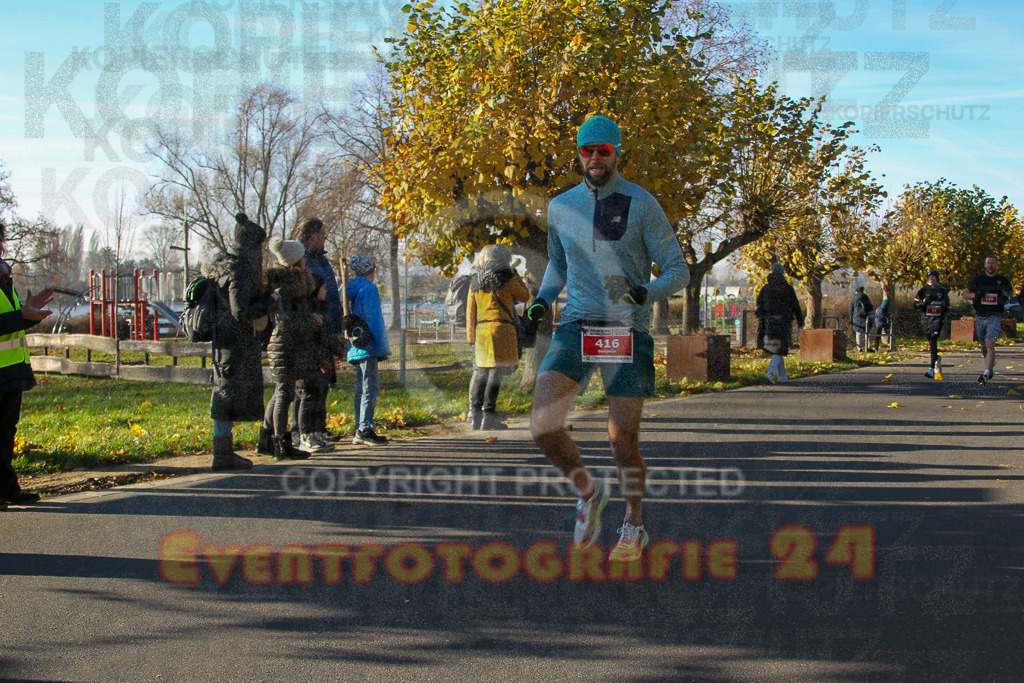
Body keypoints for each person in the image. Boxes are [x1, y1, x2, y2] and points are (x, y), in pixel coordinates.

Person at [526, 115, 690, 562]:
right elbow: (558, 265)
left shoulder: (642, 204)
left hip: (626, 328)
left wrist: (644, 292)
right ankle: (589, 492)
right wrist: (542, 300)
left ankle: (634, 523)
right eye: (587, 150)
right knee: (542, 426)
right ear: (578, 154)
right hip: (577, 324)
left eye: (604, 150)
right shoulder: (561, 206)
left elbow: (678, 269)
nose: (595, 158)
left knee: (622, 442)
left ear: (617, 152)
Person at [206, 212, 276, 471]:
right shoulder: (239, 270)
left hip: (224, 341)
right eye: (260, 246)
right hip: (234, 343)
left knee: (224, 393)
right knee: (225, 396)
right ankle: (222, 455)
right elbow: (241, 311)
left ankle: (223, 452)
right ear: (252, 246)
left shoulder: (223, 265)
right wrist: (270, 301)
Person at [0, 220, 53, 508]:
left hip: (10, 370)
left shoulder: (4, 279)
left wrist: (28, 316)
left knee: (5, 434)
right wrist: (22, 316)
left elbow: (9, 325)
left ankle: (7, 489)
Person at [261, 238, 322, 460]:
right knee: (285, 394)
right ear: (293, 261)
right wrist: (311, 320)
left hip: (289, 344)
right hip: (283, 345)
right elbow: (284, 321)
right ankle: (281, 444)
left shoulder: (293, 282)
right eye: (302, 256)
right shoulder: (284, 287)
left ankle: (265, 441)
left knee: (281, 392)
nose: (305, 258)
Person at [466, 244, 529, 430]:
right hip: (503, 330)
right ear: (506, 259)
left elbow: (470, 312)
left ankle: (475, 418)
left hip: (482, 332)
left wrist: (471, 338)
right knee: (495, 375)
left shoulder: (476, 280)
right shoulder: (508, 277)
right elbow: (525, 296)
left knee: (482, 374)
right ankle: (489, 417)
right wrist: (515, 274)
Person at [296, 218, 345, 444]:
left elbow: (331, 293)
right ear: (312, 236)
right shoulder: (300, 257)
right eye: (323, 234)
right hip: (311, 328)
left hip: (328, 324)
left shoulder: (321, 258)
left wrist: (336, 326)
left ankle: (318, 428)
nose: (325, 238)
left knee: (324, 381)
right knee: (306, 385)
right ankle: (300, 430)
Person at [346, 254, 391, 446]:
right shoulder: (369, 288)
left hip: (356, 343)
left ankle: (360, 426)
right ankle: (365, 429)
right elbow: (374, 319)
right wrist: (382, 345)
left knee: (361, 389)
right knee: (370, 388)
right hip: (368, 344)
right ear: (370, 271)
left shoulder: (351, 288)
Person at [963, 254, 1013, 384]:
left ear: (997, 265)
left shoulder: (1002, 280)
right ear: (985, 265)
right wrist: (976, 295)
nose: (990, 265)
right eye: (988, 263)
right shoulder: (978, 279)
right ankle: (990, 364)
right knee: (984, 346)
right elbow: (965, 294)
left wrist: (1005, 297)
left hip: (995, 316)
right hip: (980, 316)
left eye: (993, 263)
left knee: (990, 343)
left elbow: (1010, 293)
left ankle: (986, 373)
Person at [755, 262, 804, 385]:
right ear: (782, 273)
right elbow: (795, 305)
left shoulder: (765, 289)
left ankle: (782, 376)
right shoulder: (787, 288)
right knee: (779, 348)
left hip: (769, 320)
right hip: (783, 320)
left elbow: (759, 305)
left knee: (777, 347)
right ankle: (769, 373)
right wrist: (800, 319)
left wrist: (761, 317)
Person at [914, 269, 950, 379]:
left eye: (934, 278)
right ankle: (936, 359)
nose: (932, 279)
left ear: (937, 279)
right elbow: (915, 305)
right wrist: (923, 303)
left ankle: (931, 369)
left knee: (934, 339)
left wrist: (943, 306)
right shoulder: (923, 290)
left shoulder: (942, 290)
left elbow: (947, 306)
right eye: (930, 278)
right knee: (930, 341)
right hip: (926, 319)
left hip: (938, 319)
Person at [849, 286, 873, 353]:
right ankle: (869, 347)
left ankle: (859, 348)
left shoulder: (854, 298)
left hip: (856, 318)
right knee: (867, 333)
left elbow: (851, 310)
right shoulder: (865, 297)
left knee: (858, 333)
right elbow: (870, 307)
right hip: (866, 317)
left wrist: (851, 319)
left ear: (856, 291)